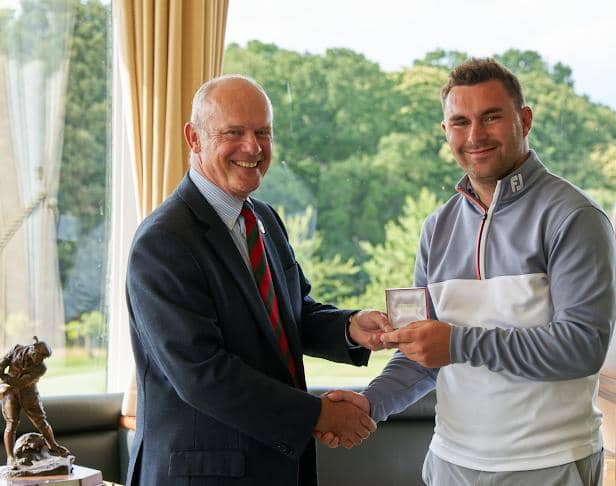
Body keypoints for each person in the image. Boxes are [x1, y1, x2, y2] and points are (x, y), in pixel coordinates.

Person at [323, 58, 616, 486]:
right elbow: (423, 355)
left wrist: (458, 342)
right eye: (460, 122)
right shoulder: (436, 228)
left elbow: (582, 346)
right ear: (446, 133)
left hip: (548, 465)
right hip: (449, 465)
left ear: (525, 120)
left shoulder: (574, 218)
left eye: (491, 117)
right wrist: (370, 404)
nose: (475, 135)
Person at [125, 75, 392, 486]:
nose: (253, 147)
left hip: (278, 467)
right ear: (193, 138)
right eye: (234, 132)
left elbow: (292, 314)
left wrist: (351, 327)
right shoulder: (163, 241)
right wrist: (318, 414)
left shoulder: (264, 219)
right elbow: (202, 373)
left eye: (262, 132)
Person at [0, 336, 70, 467]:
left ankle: (53, 445)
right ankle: (10, 458)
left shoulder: (41, 368)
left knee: (41, 422)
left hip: (29, 395)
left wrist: (4, 378)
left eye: (43, 358)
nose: (40, 360)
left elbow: (21, 382)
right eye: (39, 356)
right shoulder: (16, 349)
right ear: (32, 349)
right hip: (10, 395)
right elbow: (2, 363)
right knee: (11, 424)